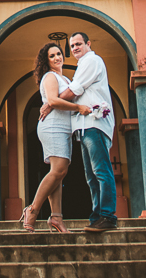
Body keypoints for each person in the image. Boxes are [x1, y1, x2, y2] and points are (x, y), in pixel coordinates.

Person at [43, 31, 118, 232]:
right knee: (91, 176)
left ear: (88, 43)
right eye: (72, 45)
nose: (75, 48)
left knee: (101, 171)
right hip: (84, 127)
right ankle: (96, 217)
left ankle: (108, 216)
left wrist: (52, 103)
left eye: (78, 44)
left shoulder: (91, 61)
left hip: (94, 124)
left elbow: (75, 90)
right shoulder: (81, 65)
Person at [22, 42, 90, 234]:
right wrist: (78, 108)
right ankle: (32, 210)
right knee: (59, 170)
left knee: (59, 172)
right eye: (52, 56)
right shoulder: (50, 76)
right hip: (52, 126)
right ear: (47, 61)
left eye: (59, 54)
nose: (57, 58)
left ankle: (57, 218)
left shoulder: (67, 79)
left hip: (64, 128)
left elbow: (60, 98)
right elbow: (52, 100)